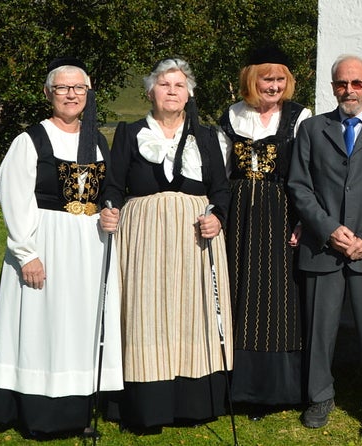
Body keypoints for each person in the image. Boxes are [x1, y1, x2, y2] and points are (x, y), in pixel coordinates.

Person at [0, 57, 123, 435]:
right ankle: (39, 414)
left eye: (79, 88)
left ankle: (78, 410)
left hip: (90, 247)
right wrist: (27, 254)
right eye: (62, 88)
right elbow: (15, 198)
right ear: (48, 94)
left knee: (79, 326)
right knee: (43, 325)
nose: (71, 95)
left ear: (88, 95)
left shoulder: (97, 140)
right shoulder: (30, 140)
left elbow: (106, 192)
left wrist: (110, 213)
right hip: (46, 245)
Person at [99, 57, 232, 428]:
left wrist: (218, 217)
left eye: (178, 85)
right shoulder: (128, 132)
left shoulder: (207, 137)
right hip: (144, 235)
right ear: (149, 92)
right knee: (147, 311)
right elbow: (113, 185)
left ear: (189, 93)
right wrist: (108, 207)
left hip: (195, 235)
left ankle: (193, 403)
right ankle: (147, 403)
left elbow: (220, 189)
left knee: (193, 311)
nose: (171, 91)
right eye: (163, 84)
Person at [287, 54, 362, 441]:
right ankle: (319, 396)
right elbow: (299, 186)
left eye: (356, 83)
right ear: (332, 86)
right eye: (341, 84)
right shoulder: (312, 129)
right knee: (319, 329)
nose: (349, 90)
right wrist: (327, 228)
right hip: (324, 248)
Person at [216, 46, 313, 418]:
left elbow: (309, 171)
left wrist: (304, 220)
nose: (273, 85)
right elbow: (220, 172)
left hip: (281, 215)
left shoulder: (300, 117)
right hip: (239, 216)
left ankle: (276, 390)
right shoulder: (231, 116)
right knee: (238, 293)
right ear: (251, 80)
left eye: (279, 79)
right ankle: (237, 387)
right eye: (266, 78)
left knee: (277, 298)